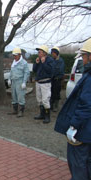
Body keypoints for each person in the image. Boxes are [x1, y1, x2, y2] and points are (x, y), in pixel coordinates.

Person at [54, 38, 91, 180]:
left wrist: (74, 126)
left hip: (84, 131)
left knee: (79, 164)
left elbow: (86, 105)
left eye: (84, 55)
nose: (83, 58)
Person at [33, 45, 53, 124]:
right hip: (38, 82)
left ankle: (47, 116)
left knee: (45, 100)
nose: (38, 53)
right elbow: (34, 70)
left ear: (44, 53)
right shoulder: (39, 59)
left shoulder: (50, 60)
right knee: (39, 99)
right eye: (38, 52)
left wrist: (44, 63)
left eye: (40, 52)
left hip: (45, 83)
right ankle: (42, 114)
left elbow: (50, 71)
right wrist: (37, 63)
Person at [7, 48, 30, 117]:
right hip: (14, 81)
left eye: (16, 55)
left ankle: (21, 111)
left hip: (20, 81)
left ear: (20, 55)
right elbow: (11, 71)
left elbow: (26, 73)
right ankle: (15, 110)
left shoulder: (24, 63)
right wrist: (9, 79)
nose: (14, 57)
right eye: (14, 55)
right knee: (14, 96)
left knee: (20, 96)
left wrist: (24, 82)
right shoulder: (14, 62)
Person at [50, 47, 65, 112]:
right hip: (51, 79)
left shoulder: (60, 61)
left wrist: (54, 74)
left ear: (56, 53)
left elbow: (59, 70)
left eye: (53, 53)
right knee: (51, 92)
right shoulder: (51, 60)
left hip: (57, 79)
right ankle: (51, 105)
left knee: (56, 93)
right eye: (51, 53)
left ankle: (56, 106)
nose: (52, 54)